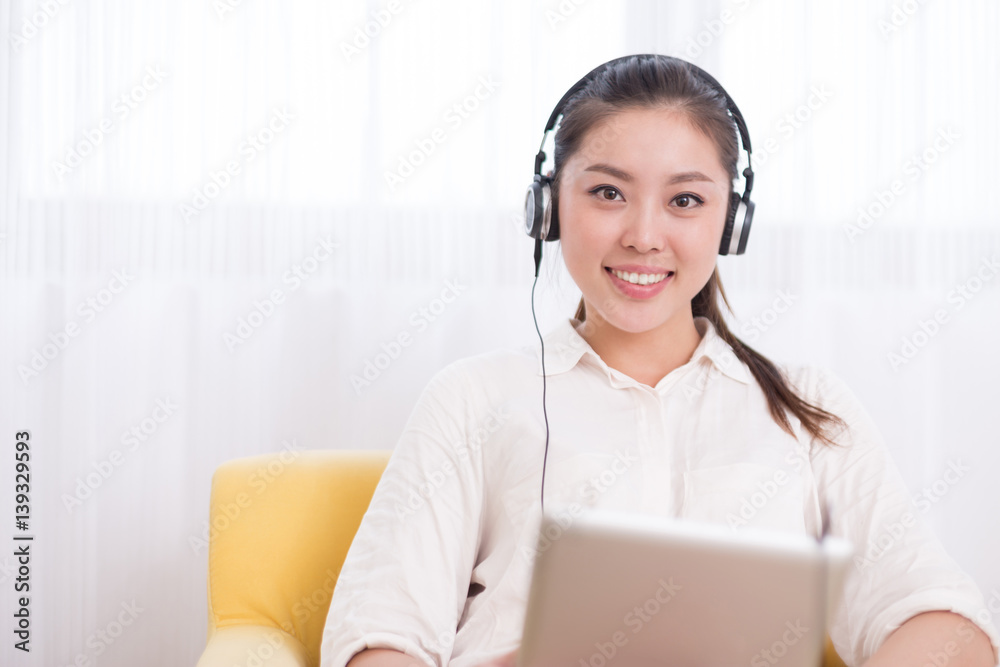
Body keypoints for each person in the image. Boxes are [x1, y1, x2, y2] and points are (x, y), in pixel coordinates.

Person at [321, 54, 1000, 667]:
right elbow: (379, 637)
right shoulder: (472, 398)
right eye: (609, 192)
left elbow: (948, 629)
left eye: (685, 200)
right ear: (549, 207)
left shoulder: (808, 409)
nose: (645, 235)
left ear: (729, 222)